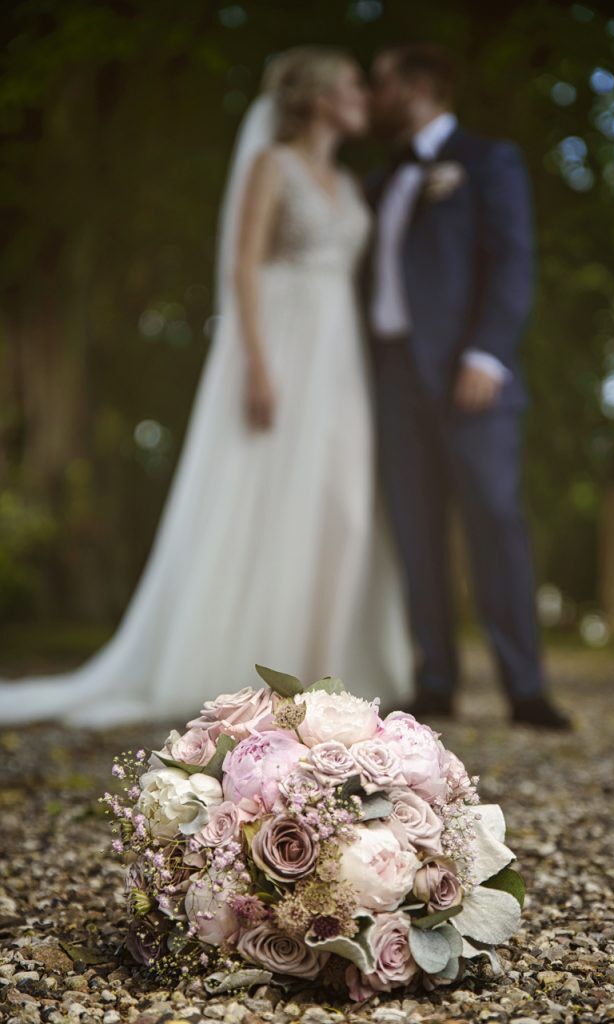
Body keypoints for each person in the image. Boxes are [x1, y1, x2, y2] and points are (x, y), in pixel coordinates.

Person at [0, 46, 412, 727]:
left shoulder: (352, 183)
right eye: (351, 86)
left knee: (341, 500)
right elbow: (242, 267)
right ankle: (259, 669)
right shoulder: (270, 167)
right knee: (272, 493)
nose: (365, 96)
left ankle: (326, 665)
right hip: (283, 341)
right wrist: (255, 363)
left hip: (341, 355)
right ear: (316, 100)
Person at [366, 43, 571, 730]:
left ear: (419, 86)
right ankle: (435, 680)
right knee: (414, 529)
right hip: (391, 376)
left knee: (494, 520)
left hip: (468, 374)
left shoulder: (488, 160)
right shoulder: (381, 176)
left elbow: (513, 259)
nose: (371, 94)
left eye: (382, 82)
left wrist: (488, 352)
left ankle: (525, 688)